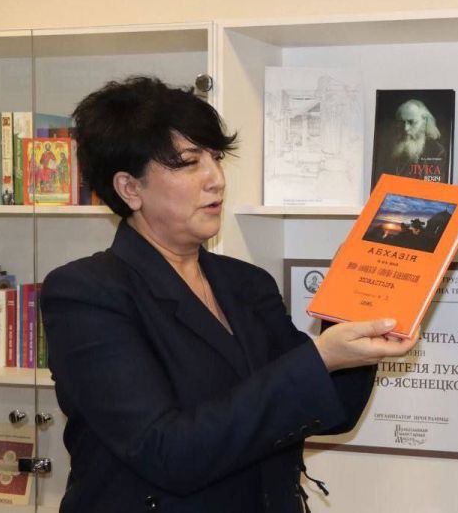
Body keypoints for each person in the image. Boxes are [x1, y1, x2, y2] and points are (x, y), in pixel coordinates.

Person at [41, 76, 418, 513]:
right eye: (189, 162)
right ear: (130, 188)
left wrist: (354, 307)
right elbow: (167, 451)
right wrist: (319, 357)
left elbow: (332, 410)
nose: (216, 179)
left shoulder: (247, 283)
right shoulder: (86, 293)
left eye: (216, 158)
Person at [372, 99, 447, 187]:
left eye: (411, 122)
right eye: (402, 122)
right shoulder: (390, 149)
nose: (405, 128)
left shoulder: (437, 152)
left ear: (424, 121)